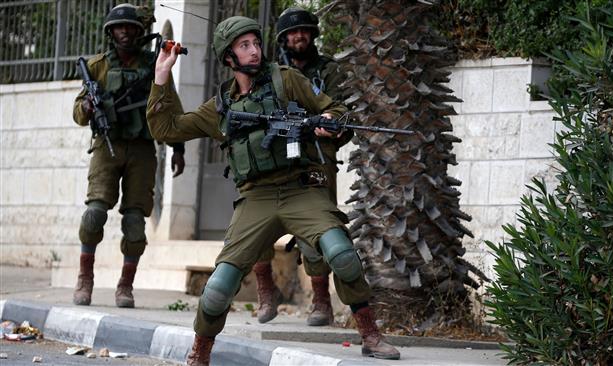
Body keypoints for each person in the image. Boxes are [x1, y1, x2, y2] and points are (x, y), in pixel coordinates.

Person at [147, 16, 400, 365]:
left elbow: (335, 108)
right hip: (256, 199)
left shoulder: (287, 80)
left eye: (255, 43)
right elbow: (167, 128)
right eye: (244, 46)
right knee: (219, 287)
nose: (254, 51)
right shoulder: (220, 105)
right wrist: (162, 76)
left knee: (342, 254)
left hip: (302, 190)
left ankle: (371, 335)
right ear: (228, 57)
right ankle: (200, 352)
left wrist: (330, 124)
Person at [72, 3, 185, 309]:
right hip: (106, 147)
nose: (125, 32)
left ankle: (125, 286)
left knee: (135, 222)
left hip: (142, 150)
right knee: (94, 213)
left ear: (139, 31)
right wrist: (87, 108)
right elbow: (78, 110)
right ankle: (85, 279)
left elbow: (171, 104)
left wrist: (178, 148)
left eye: (130, 27)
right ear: (111, 33)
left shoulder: (154, 65)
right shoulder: (97, 66)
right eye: (119, 28)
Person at [251, 7, 352, 327]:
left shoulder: (331, 71)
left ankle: (321, 301)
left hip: (316, 157)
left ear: (314, 35)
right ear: (282, 38)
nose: (299, 36)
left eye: (305, 31)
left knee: (318, 231)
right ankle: (266, 293)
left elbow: (344, 114)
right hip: (273, 159)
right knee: (256, 226)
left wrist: (333, 125)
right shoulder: (267, 73)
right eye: (293, 33)